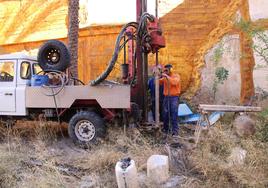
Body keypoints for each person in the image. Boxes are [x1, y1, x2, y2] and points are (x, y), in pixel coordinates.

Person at [159, 64, 181, 136]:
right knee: (165, 114)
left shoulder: (176, 76)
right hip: (166, 97)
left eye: (167, 70)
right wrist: (157, 76)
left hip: (174, 98)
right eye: (165, 70)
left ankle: (175, 131)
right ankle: (166, 129)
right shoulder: (165, 77)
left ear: (171, 69)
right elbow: (158, 82)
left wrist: (166, 76)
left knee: (174, 114)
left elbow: (174, 82)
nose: (166, 71)